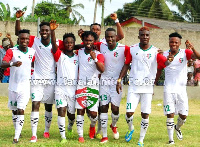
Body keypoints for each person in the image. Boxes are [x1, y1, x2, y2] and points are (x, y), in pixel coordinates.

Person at [15, 10, 63, 142]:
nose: (44, 32)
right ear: (39, 31)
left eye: (47, 30)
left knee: (48, 106)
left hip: (51, 79)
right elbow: (18, 34)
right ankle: (34, 134)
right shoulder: (34, 40)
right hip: (36, 78)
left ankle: (46, 131)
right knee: (35, 104)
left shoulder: (56, 42)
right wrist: (18, 19)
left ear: (50, 31)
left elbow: (54, 49)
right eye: (42, 30)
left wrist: (53, 32)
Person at [116, 27, 169, 147]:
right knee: (129, 113)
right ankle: (131, 128)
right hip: (134, 87)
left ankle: (141, 140)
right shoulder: (133, 49)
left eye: (147, 35)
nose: (145, 37)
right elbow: (126, 64)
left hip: (147, 89)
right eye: (142, 35)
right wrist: (119, 79)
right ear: (138, 36)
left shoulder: (156, 52)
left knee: (145, 114)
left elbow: (165, 64)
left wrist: (169, 58)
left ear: (149, 37)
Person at [78, 13, 124, 139]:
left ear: (100, 32)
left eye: (98, 30)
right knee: (98, 108)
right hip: (99, 81)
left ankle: (105, 128)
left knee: (110, 109)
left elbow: (120, 36)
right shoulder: (91, 44)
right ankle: (98, 130)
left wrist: (117, 21)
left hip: (111, 81)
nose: (95, 31)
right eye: (93, 29)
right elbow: (82, 46)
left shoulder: (104, 43)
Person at [156, 32, 200, 144]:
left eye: (176, 42)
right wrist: (155, 81)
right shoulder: (164, 54)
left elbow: (197, 57)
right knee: (170, 114)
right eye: (172, 42)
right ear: (169, 42)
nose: (173, 44)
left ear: (180, 43)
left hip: (181, 89)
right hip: (168, 89)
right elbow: (160, 68)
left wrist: (192, 47)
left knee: (183, 116)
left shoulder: (185, 52)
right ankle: (171, 140)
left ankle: (178, 128)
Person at [1, 29, 35, 144]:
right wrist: (13, 64)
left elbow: (34, 64)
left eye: (26, 39)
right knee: (14, 111)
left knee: (21, 109)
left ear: (29, 40)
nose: (24, 41)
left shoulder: (32, 52)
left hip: (25, 87)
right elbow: (2, 64)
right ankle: (17, 130)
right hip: (13, 87)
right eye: (22, 39)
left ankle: (16, 136)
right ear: (18, 40)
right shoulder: (12, 51)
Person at [97, 28, 129, 143]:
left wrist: (120, 79)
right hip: (104, 82)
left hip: (117, 83)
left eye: (112, 37)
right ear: (105, 38)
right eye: (108, 37)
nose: (110, 39)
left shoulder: (124, 48)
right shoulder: (101, 46)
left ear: (116, 37)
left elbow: (127, 63)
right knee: (104, 107)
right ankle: (104, 136)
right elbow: (87, 44)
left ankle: (113, 125)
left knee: (115, 109)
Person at [50, 20, 78, 143]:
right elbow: (54, 46)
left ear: (74, 44)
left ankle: (70, 126)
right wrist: (52, 31)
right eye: (66, 42)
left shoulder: (78, 57)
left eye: (71, 42)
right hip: (60, 89)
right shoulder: (60, 56)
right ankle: (63, 137)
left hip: (73, 90)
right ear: (64, 44)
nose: (69, 44)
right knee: (61, 111)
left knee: (71, 115)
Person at [75, 31, 104, 143]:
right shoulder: (78, 52)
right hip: (81, 85)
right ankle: (80, 135)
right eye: (86, 40)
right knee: (80, 110)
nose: (88, 42)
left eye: (91, 41)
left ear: (94, 42)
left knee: (93, 114)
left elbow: (102, 69)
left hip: (93, 86)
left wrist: (95, 59)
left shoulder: (99, 54)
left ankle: (92, 126)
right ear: (83, 41)